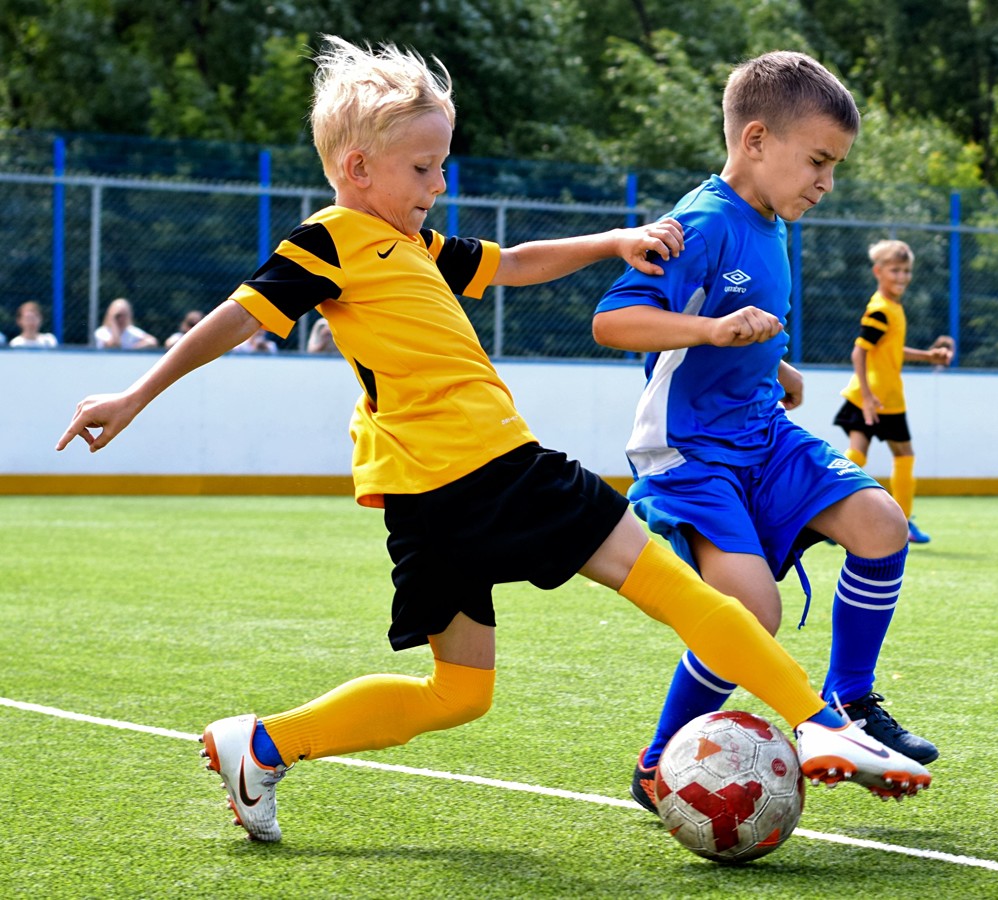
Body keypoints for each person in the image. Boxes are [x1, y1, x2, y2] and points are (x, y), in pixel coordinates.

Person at [56, 36, 926, 844]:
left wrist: (613, 242)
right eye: (422, 168)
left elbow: (509, 263)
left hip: (428, 498)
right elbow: (240, 315)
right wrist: (136, 393)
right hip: (491, 466)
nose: (437, 183)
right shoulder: (331, 241)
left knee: (459, 692)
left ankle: (263, 744)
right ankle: (820, 723)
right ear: (357, 168)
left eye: (441, 165)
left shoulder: (414, 242)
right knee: (672, 588)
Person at [592, 51, 936, 815]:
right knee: (752, 612)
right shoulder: (701, 222)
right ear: (755, 140)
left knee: (881, 522)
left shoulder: (773, 221)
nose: (827, 181)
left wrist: (772, 366)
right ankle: (658, 764)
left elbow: (730, 319)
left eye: (835, 166)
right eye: (818, 161)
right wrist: (713, 331)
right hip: (690, 452)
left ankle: (850, 701)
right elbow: (614, 321)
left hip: (762, 433)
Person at [834, 240, 951, 545]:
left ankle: (825, 512)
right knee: (904, 455)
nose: (902, 277)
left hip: (871, 395)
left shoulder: (891, 307)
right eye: (895, 270)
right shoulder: (881, 310)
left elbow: (890, 348)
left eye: (906, 271)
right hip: (878, 397)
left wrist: (928, 356)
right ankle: (904, 522)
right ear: (878, 271)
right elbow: (859, 352)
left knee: (856, 455)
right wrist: (869, 397)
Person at [94, 298, 159, 350]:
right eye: (118, 316)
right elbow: (114, 345)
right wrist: (113, 324)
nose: (121, 319)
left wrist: (133, 349)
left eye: (124, 315)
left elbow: (152, 342)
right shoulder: (102, 332)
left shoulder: (132, 331)